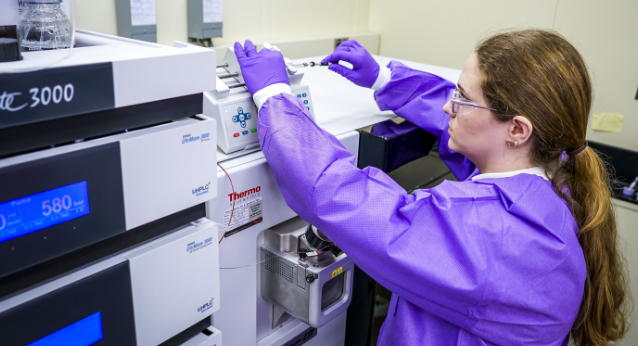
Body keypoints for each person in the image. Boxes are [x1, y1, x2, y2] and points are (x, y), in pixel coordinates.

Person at [233, 29, 628, 345]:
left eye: (462, 98)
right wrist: (385, 78)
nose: (448, 106)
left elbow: (336, 195)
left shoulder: (490, 233)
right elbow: (477, 125)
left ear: (519, 129)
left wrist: (274, 96)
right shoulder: (557, 173)